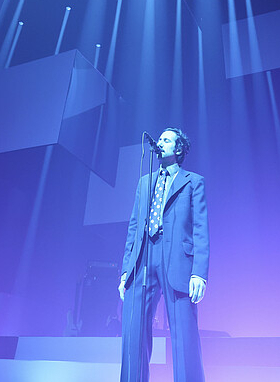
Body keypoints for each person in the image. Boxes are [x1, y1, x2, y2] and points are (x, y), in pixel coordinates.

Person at [119, 128, 208, 382]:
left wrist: (199, 273)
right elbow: (134, 226)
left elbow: (200, 228)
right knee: (133, 331)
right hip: (144, 257)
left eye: (166, 140)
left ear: (178, 149)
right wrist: (126, 270)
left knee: (184, 334)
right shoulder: (144, 182)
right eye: (159, 139)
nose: (160, 142)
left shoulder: (193, 181)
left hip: (177, 259)